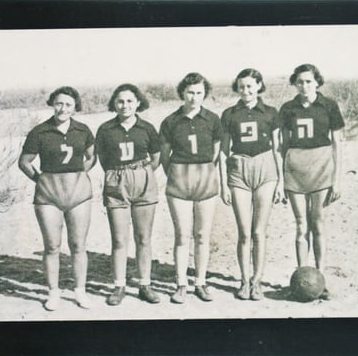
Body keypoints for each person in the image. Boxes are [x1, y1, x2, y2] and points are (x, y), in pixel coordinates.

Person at [18, 86, 96, 311]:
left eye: (68, 104)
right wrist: (41, 181)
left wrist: (79, 176)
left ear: (75, 107)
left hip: (79, 196)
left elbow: (92, 156)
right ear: (53, 104)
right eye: (59, 103)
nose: (63, 108)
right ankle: (53, 292)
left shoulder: (83, 130)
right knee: (52, 246)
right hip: (48, 197)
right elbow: (24, 162)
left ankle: (80, 291)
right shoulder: (40, 131)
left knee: (78, 245)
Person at [278, 64, 345, 300]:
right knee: (300, 225)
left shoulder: (329, 106)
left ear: (317, 82)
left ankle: (320, 280)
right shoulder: (287, 109)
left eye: (309, 81)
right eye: (300, 81)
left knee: (318, 223)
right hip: (295, 169)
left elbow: (337, 145)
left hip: (322, 168)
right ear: (295, 84)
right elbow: (282, 146)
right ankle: (301, 278)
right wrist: (280, 180)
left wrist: (336, 180)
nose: (304, 85)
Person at [219, 68, 283, 301]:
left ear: (258, 86)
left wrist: (281, 183)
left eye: (250, 86)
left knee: (259, 231)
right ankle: (244, 281)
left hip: (266, 170)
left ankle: (257, 282)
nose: (245, 91)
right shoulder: (229, 114)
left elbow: (277, 149)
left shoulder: (270, 112)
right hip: (239, 171)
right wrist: (224, 184)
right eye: (241, 86)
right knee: (244, 232)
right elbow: (223, 151)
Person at [95, 84, 162, 306]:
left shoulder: (147, 128)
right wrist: (119, 176)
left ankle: (145, 284)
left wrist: (140, 174)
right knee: (119, 238)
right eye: (120, 101)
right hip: (117, 182)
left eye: (130, 101)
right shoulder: (105, 129)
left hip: (143, 180)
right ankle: (119, 286)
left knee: (143, 237)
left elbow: (155, 157)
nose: (125, 105)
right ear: (114, 103)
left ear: (138, 103)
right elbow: (103, 159)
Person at [159, 72, 223, 304]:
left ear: (204, 94)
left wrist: (204, 171)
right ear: (182, 93)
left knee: (203, 235)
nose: (194, 97)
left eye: (199, 93)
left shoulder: (213, 120)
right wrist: (176, 175)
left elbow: (216, 152)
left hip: (206, 178)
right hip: (179, 179)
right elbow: (164, 156)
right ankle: (181, 284)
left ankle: (200, 282)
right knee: (182, 235)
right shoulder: (170, 121)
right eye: (190, 93)